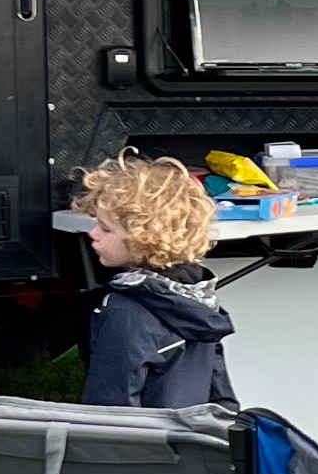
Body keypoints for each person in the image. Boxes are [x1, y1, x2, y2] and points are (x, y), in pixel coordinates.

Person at [74, 155, 238, 410]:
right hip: (190, 443)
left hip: (144, 447)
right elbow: (222, 398)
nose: (92, 234)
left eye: (105, 229)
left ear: (144, 240)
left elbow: (111, 408)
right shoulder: (198, 299)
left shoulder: (124, 310)